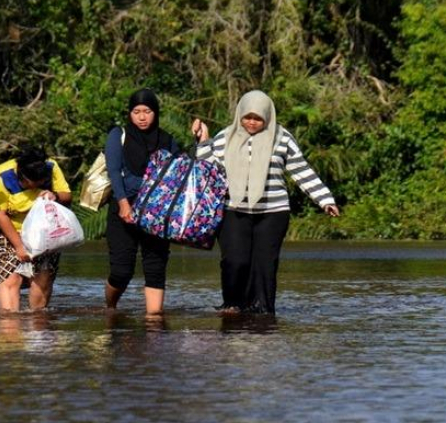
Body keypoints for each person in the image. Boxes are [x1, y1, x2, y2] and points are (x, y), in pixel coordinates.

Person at [192, 90, 340, 314]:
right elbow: (209, 171)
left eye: (258, 118)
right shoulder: (225, 137)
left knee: (264, 265)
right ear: (239, 115)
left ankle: (262, 312)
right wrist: (203, 141)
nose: (252, 122)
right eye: (247, 117)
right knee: (235, 261)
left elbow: (301, 170)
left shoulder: (282, 138)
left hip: (273, 211)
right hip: (233, 209)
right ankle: (232, 305)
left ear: (267, 117)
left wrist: (324, 200)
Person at [104, 88, 184, 315]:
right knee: (121, 270)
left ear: (155, 113)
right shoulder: (118, 135)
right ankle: (110, 308)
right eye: (136, 111)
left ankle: (154, 322)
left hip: (158, 213)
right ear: (129, 114)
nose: (141, 117)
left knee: (155, 268)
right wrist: (123, 204)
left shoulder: (167, 140)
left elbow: (180, 172)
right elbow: (114, 170)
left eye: (147, 111)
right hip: (124, 209)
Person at [0, 144, 73, 312]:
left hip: (43, 231)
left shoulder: (51, 167)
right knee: (12, 278)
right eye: (30, 185)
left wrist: (55, 196)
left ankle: (38, 326)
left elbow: (67, 195)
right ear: (22, 176)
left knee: (43, 277)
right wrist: (19, 246)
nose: (33, 189)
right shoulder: (2, 176)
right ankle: (10, 329)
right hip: (4, 229)